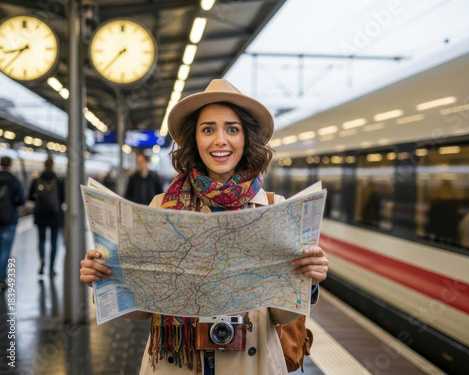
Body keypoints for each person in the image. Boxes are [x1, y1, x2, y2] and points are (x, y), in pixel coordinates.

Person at [80, 79, 329, 374]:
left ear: (246, 138)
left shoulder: (277, 209)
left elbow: (280, 314)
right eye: (208, 129)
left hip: (251, 362)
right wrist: (106, 280)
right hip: (176, 364)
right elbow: (144, 309)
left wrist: (307, 281)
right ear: (194, 139)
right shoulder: (162, 207)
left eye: (232, 129)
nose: (219, 140)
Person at [29, 157, 64, 277]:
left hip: (40, 214)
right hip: (55, 215)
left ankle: (42, 260)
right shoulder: (58, 180)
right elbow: (63, 198)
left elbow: (30, 197)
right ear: (53, 166)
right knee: (54, 241)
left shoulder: (37, 179)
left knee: (41, 240)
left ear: (44, 166)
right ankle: (52, 268)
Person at [0, 156, 25, 290]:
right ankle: (1, 279)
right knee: (5, 250)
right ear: (10, 165)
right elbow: (21, 200)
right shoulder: (14, 180)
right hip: (9, 219)